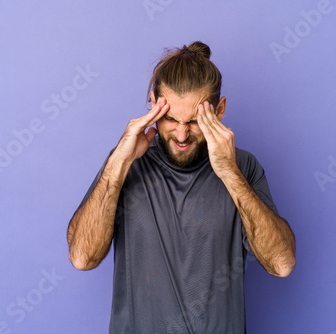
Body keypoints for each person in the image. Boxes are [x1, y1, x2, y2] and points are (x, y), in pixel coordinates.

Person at [67, 41, 296, 333]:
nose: (182, 133)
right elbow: (82, 258)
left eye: (193, 121)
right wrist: (117, 166)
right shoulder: (126, 163)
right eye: (171, 119)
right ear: (153, 104)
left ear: (220, 109)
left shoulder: (243, 167)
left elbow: (282, 264)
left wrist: (229, 172)